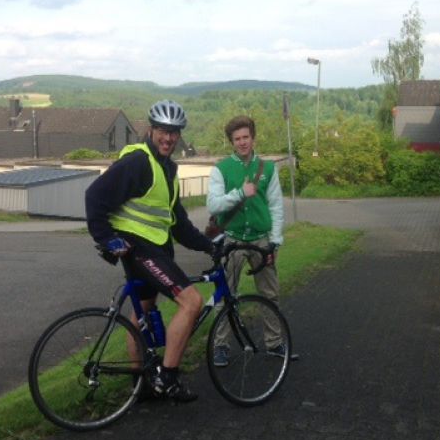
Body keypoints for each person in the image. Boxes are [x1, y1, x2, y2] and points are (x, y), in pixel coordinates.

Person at [85, 99, 216, 402]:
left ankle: (140, 384)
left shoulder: (167, 168)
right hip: (139, 250)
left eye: (174, 132)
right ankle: (167, 378)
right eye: (162, 131)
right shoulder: (138, 162)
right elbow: (94, 195)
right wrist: (105, 238)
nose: (168, 138)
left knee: (142, 313)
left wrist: (208, 245)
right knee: (192, 302)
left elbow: (177, 222)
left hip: (153, 249)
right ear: (151, 130)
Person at [207, 114, 295, 366]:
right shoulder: (221, 169)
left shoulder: (268, 168)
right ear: (231, 142)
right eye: (237, 139)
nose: (242, 142)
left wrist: (275, 241)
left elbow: (276, 206)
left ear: (253, 138)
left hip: (261, 240)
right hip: (232, 240)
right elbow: (213, 204)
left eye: (246, 137)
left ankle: (274, 342)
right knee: (225, 295)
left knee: (270, 294)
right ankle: (220, 345)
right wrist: (239, 193)